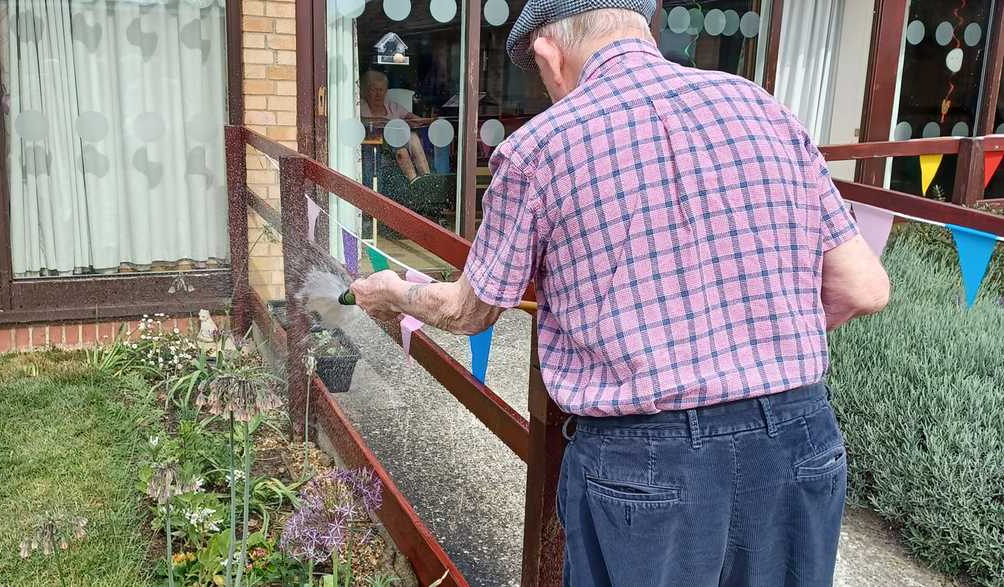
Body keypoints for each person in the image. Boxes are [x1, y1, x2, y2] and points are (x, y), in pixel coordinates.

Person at [350, 0, 891, 584]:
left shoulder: (541, 148)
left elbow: (468, 309)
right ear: (642, 25)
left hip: (647, 461)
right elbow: (864, 288)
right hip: (798, 437)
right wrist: (759, 341)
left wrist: (394, 292)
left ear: (546, 52)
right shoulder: (764, 109)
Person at [360, 70, 431, 183]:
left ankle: (427, 178)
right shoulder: (361, 105)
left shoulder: (392, 106)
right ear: (366, 91)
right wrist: (384, 122)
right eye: (374, 89)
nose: (378, 94)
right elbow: (359, 120)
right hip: (376, 147)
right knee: (401, 151)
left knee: (412, 137)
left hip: (396, 144)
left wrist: (423, 121)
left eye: (381, 90)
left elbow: (410, 117)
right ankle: (414, 181)